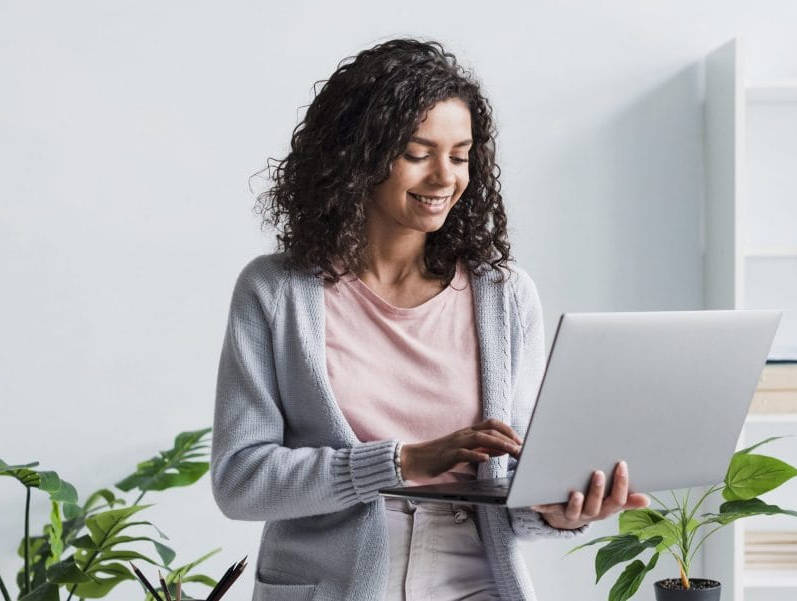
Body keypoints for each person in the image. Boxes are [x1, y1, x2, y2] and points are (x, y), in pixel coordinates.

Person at [210, 38, 649, 601]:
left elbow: (514, 489)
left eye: (461, 156)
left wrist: (560, 510)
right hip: (331, 585)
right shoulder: (276, 291)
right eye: (419, 153)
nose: (446, 177)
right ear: (355, 157)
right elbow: (241, 481)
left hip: (475, 579)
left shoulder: (504, 294)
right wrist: (402, 462)